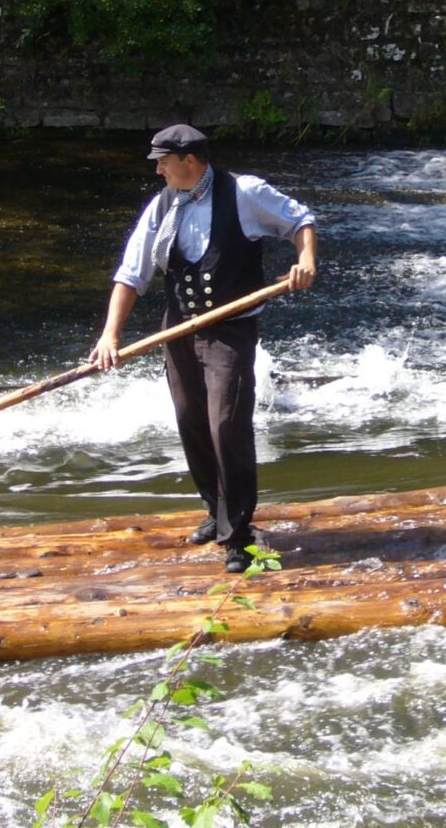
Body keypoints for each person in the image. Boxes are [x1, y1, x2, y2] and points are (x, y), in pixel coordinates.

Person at [90, 125, 317, 573]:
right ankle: (216, 512)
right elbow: (132, 273)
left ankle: (239, 535)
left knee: (226, 424)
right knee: (191, 419)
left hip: (231, 329)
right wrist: (110, 335)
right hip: (178, 329)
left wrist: (305, 259)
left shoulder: (244, 193)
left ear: (189, 161)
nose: (157, 169)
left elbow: (300, 219)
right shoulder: (162, 207)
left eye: (163, 161)